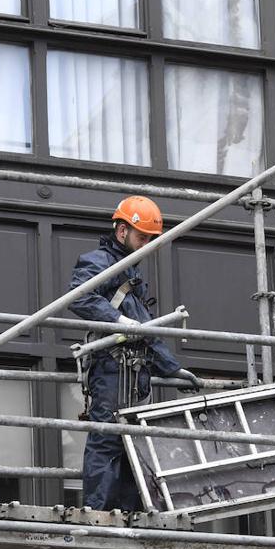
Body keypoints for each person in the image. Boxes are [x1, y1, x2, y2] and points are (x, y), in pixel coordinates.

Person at [69, 195, 200, 511]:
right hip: (113, 369)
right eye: (142, 237)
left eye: (149, 240)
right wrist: (118, 320)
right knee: (108, 439)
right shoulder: (99, 263)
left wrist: (170, 368)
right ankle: (97, 513)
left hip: (136, 372)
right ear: (121, 230)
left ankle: (129, 513)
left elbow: (144, 330)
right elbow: (79, 297)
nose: (145, 245)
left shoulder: (130, 276)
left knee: (134, 443)